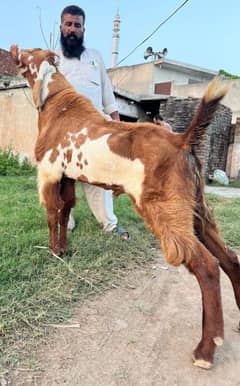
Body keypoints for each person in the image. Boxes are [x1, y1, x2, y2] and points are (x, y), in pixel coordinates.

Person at [57, 5, 129, 240]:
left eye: (77, 25)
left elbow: (107, 93)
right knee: (63, 179)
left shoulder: (95, 57)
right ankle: (65, 221)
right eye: (68, 24)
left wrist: (115, 122)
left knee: (99, 177)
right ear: (61, 26)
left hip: (95, 131)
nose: (72, 29)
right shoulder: (53, 60)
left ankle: (109, 224)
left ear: (83, 29)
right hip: (64, 133)